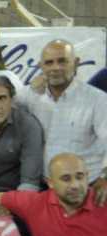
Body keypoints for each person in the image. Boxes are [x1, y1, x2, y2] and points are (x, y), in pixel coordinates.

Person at [16, 40, 107, 193]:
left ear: (76, 63)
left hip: (87, 187)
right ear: (41, 66)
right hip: (45, 187)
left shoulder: (98, 99)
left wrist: (105, 178)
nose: (55, 68)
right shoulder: (30, 94)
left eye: (62, 61)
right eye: (49, 63)